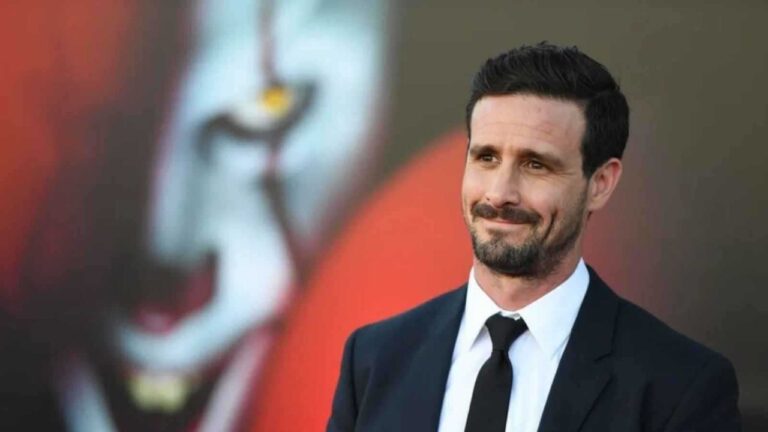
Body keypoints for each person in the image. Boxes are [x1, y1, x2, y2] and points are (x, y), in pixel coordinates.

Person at [326, 43, 741, 432]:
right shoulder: (375, 358)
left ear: (600, 183)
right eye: (486, 157)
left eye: (535, 165)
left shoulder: (680, 386)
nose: (499, 194)